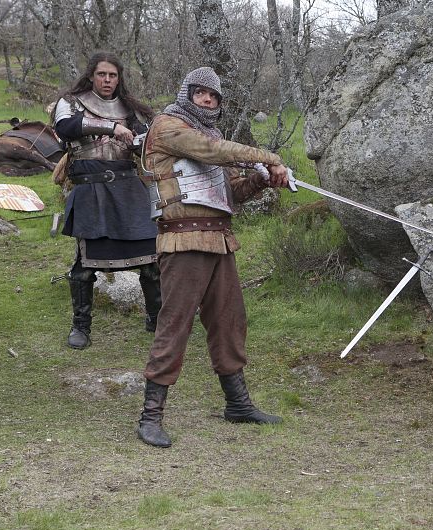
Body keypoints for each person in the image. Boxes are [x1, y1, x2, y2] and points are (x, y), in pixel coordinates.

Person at [136, 67, 290, 448]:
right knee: (175, 325)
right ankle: (150, 416)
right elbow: (212, 151)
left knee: (229, 322)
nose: (207, 100)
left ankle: (237, 404)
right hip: (182, 242)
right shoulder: (168, 127)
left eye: (214, 96)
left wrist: (259, 179)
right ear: (187, 93)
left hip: (220, 241)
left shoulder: (211, 138)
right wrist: (268, 157)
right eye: (201, 93)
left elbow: (229, 196)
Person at [52, 52, 161, 350]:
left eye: (113, 75)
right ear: (91, 75)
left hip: (128, 189)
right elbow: (65, 128)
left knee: (151, 261)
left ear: (119, 78)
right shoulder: (71, 102)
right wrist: (112, 128)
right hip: (90, 190)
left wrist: (140, 141)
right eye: (102, 74)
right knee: (85, 266)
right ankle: (81, 327)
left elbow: (146, 145)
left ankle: (156, 320)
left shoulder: (130, 108)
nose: (107, 80)